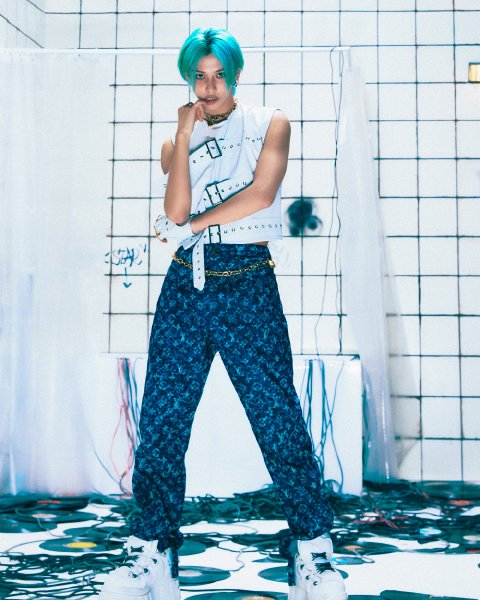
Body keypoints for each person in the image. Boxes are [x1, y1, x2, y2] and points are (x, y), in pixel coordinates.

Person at [96, 27, 348, 600]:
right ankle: (153, 551)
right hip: (186, 282)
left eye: (218, 75)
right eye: (199, 76)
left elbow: (262, 194)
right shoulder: (176, 140)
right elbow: (175, 210)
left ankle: (313, 550)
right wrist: (185, 136)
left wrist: (197, 225)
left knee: (277, 418)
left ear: (234, 75)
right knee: (162, 421)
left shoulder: (270, 122)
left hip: (247, 279)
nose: (208, 87)